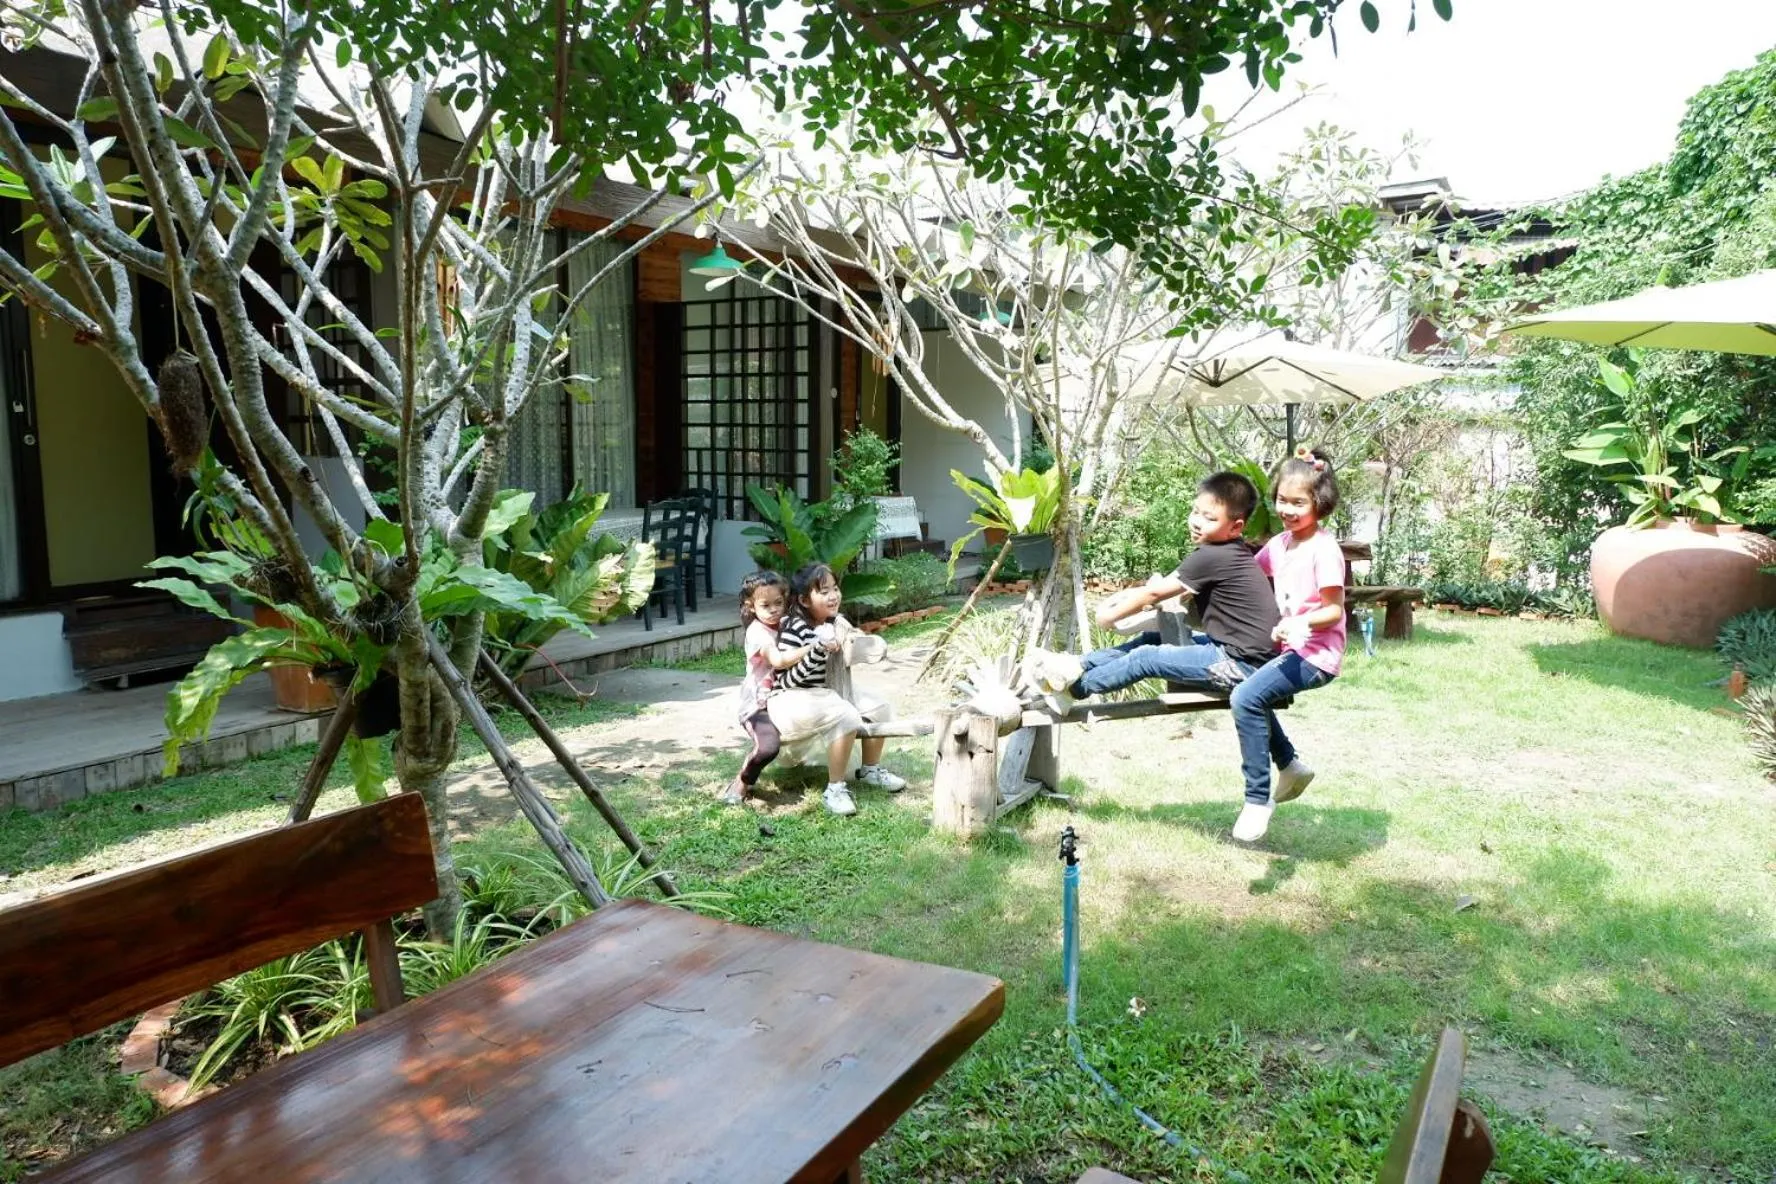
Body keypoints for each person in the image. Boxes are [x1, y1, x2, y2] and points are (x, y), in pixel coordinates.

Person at [1025, 471, 1281, 716]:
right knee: (1153, 639)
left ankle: (1070, 689)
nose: (1196, 521)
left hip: (1243, 666)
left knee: (1146, 658)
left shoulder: (1212, 556)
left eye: (1210, 518)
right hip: (1243, 654)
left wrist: (1108, 618)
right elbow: (1164, 589)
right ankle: (1076, 665)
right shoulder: (1230, 551)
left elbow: (1154, 594)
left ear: (1236, 528)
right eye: (1195, 512)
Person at [1227, 446, 1347, 842]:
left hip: (1316, 656)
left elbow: (1333, 611)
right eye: (1282, 499)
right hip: (1287, 648)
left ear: (1320, 503)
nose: (1288, 509)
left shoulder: (1324, 550)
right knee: (1244, 686)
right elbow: (1248, 573)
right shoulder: (1279, 545)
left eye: (1299, 502)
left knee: (1245, 698)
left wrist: (1296, 621)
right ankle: (1291, 765)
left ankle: (1257, 800)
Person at [767, 563, 907, 816]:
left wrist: (859, 642)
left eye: (835, 588)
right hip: (792, 698)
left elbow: (853, 643)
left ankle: (870, 770)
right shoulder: (793, 628)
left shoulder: (836, 622)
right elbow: (786, 682)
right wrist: (818, 649)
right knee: (846, 715)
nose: (833, 596)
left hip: (830, 689)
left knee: (881, 708)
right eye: (823, 591)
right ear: (804, 600)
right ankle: (835, 788)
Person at [722, 571, 804, 807]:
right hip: (758, 704)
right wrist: (811, 648)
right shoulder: (757, 632)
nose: (773, 610)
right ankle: (742, 781)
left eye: (778, 603)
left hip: (785, 697)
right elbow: (778, 661)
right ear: (751, 605)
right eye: (765, 605)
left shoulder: (788, 624)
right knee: (768, 748)